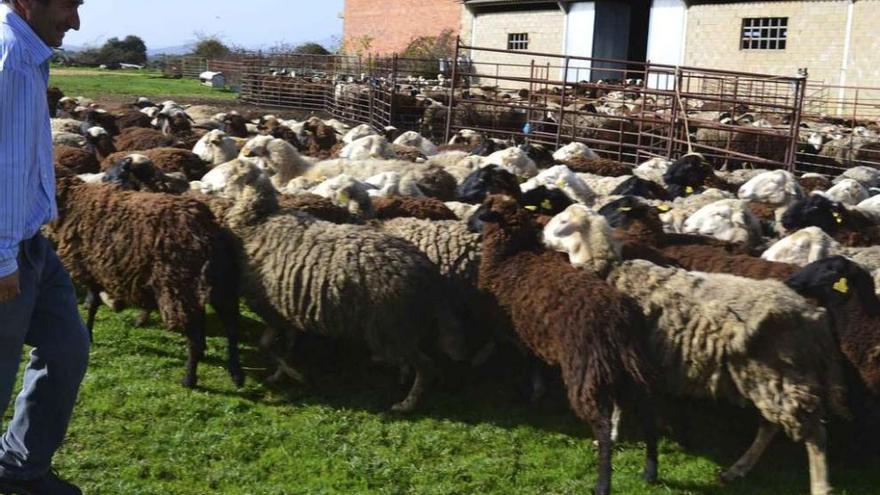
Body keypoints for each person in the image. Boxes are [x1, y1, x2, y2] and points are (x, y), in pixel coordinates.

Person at [0, 0, 88, 494]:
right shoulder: (10, 56)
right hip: (5, 250)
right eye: (66, 5)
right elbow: (2, 168)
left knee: (66, 346)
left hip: (32, 242)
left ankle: (20, 470)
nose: (75, 20)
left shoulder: (27, 54)